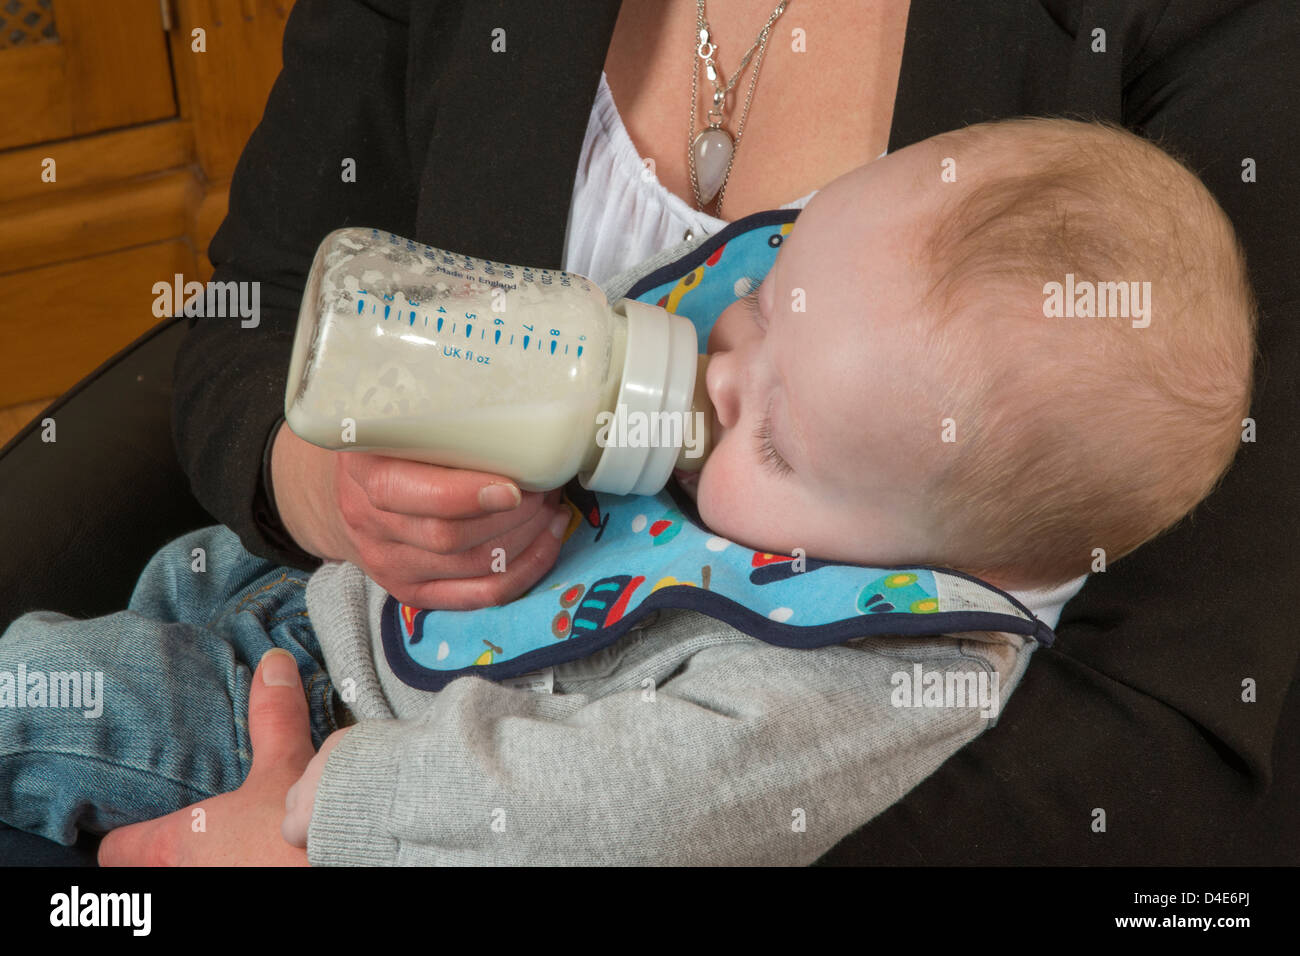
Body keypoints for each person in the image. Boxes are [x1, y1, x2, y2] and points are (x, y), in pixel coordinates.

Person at [2, 0, 1293, 865]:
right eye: (764, 305)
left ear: (947, 564)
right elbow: (264, 300)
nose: (719, 378)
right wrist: (328, 483)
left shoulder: (848, 680)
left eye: (777, 446)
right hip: (296, 591)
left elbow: (589, 815)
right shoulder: (855, 366)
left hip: (323, 739)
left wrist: (326, 825)